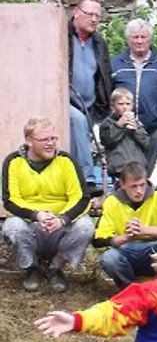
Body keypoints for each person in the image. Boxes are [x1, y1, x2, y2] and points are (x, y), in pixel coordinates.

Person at [2, 116, 94, 293]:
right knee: (12, 226)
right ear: (29, 141)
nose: (51, 143)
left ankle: (56, 267)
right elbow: (10, 200)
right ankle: (32, 267)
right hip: (32, 224)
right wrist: (36, 215)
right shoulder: (13, 161)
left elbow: (81, 198)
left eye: (53, 138)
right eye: (44, 139)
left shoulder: (66, 160)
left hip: (60, 225)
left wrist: (62, 219)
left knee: (86, 227)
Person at [93, 161, 157, 287]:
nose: (139, 191)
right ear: (122, 184)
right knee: (109, 258)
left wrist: (145, 230)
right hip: (126, 250)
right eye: (133, 186)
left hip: (155, 250)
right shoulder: (112, 201)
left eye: (142, 185)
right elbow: (99, 240)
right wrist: (126, 237)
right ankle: (131, 289)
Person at [111, 19, 157, 176]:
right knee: (127, 175)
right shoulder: (116, 65)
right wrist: (115, 122)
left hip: (155, 129)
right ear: (128, 39)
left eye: (143, 37)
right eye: (135, 37)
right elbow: (107, 94)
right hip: (124, 130)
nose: (139, 41)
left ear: (150, 39)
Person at [67, 0, 112, 192]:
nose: (94, 20)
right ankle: (88, 179)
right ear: (76, 12)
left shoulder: (99, 42)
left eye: (97, 16)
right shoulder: (61, 35)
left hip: (92, 105)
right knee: (76, 120)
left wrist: (106, 103)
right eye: (89, 14)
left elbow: (105, 75)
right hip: (66, 101)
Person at [98, 88, 150, 180]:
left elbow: (147, 144)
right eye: (120, 104)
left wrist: (136, 131)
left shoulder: (137, 123)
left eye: (128, 104)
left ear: (132, 106)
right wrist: (119, 126)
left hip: (138, 167)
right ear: (112, 106)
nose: (125, 107)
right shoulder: (107, 123)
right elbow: (106, 141)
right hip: (118, 169)